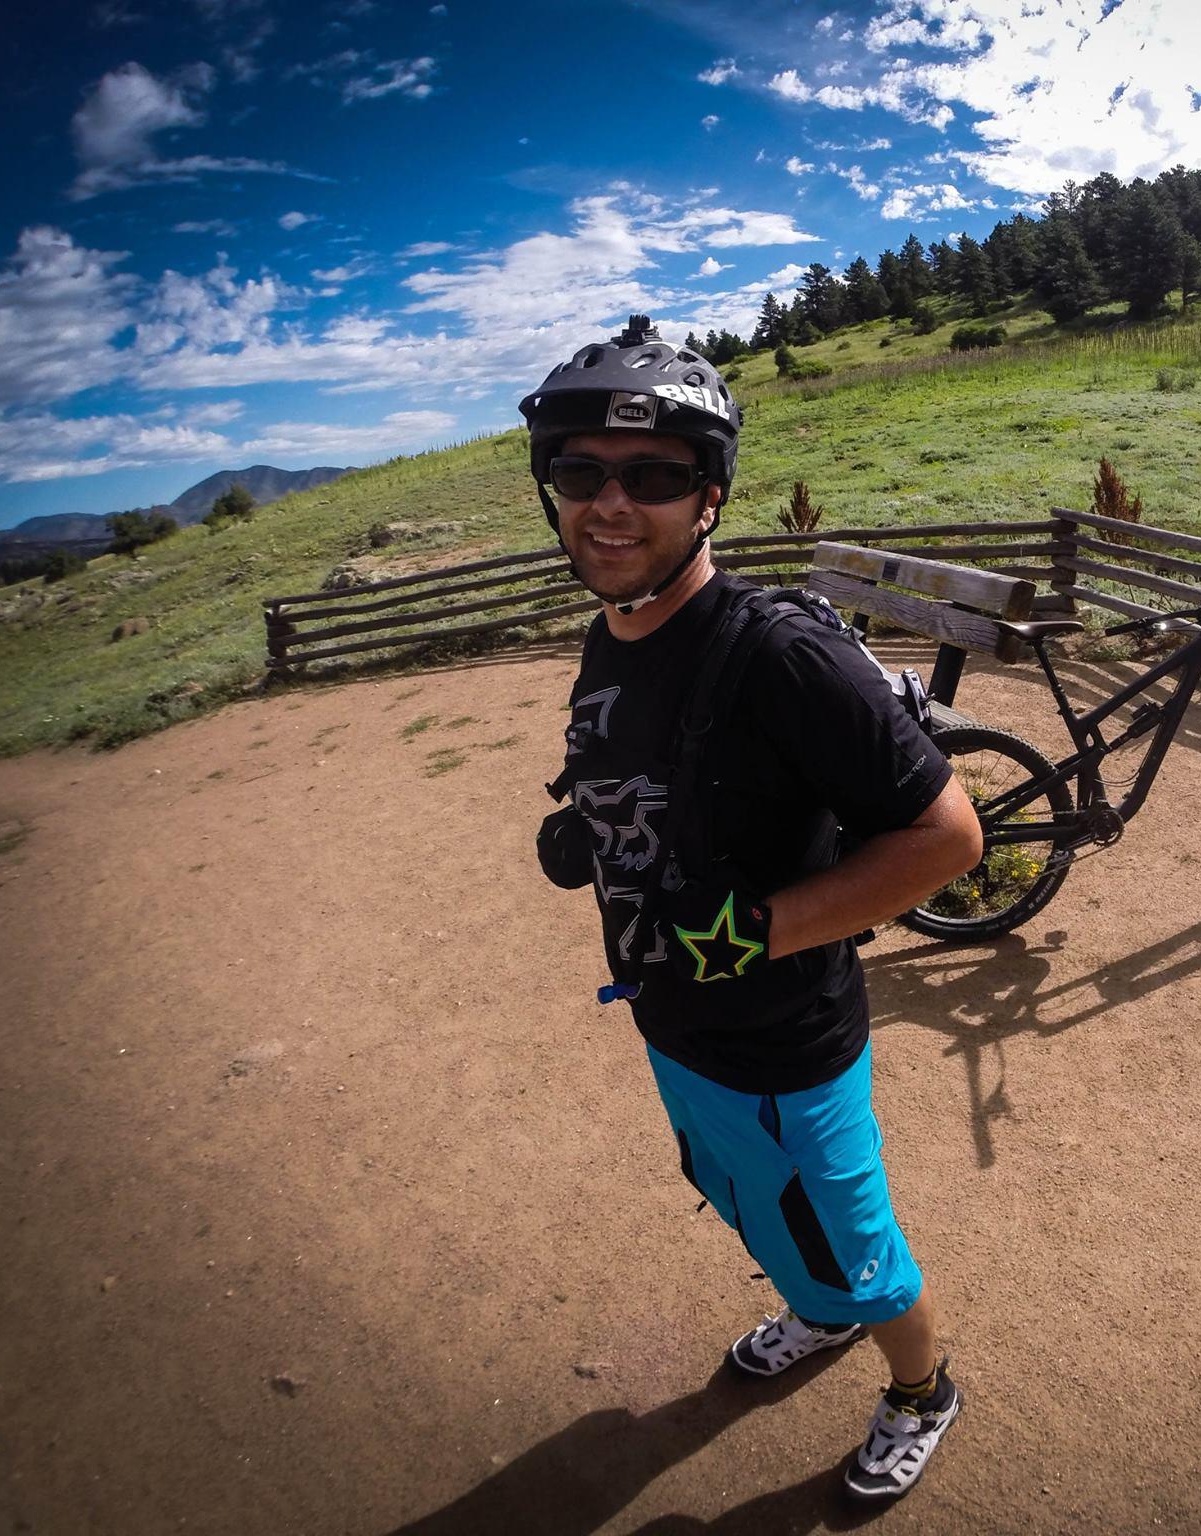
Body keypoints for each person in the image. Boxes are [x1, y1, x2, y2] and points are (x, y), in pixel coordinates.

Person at [520, 315, 982, 1502]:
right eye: (579, 472)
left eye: (653, 478)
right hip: (674, 1023)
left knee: (859, 1246)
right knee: (746, 1197)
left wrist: (752, 931)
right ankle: (814, 1311)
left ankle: (922, 1388)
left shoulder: (779, 657)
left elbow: (947, 837)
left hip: (784, 1040)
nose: (608, 505)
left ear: (710, 498)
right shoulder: (613, 628)